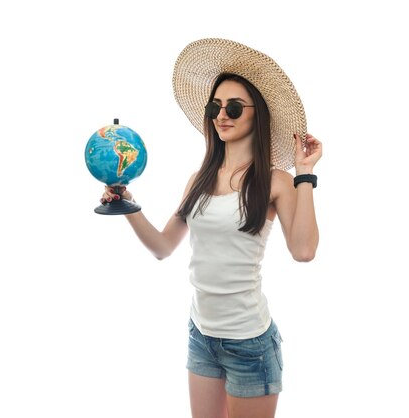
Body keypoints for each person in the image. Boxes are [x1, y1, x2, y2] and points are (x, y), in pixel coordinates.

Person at [101, 38, 322, 418]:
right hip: (201, 335)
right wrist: (125, 202)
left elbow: (303, 251)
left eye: (234, 107)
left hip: (250, 343)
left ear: (258, 114)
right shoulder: (198, 180)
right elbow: (162, 246)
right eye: (215, 106)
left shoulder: (276, 182)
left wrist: (305, 174)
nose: (222, 114)